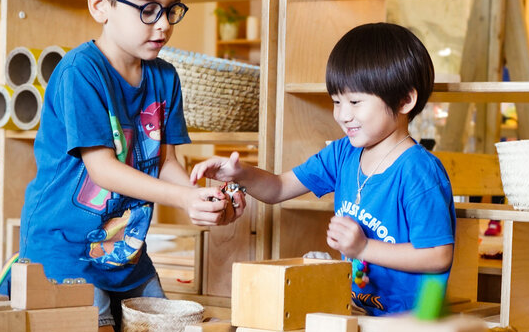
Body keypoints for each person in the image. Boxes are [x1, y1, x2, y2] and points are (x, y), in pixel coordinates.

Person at [14, 0, 246, 332]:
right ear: (100, 5)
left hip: (127, 255)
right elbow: (102, 169)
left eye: (171, 9)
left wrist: (203, 197)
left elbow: (165, 160)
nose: (163, 25)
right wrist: (181, 197)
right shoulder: (79, 73)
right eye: (147, 9)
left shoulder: (165, 77)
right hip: (65, 253)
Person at [191, 23, 455, 315]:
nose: (342, 115)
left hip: (411, 324)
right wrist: (239, 175)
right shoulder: (343, 153)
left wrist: (364, 248)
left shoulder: (419, 171)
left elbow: (438, 255)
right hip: (355, 311)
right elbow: (279, 187)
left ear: (405, 100)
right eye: (336, 101)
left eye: (355, 102)